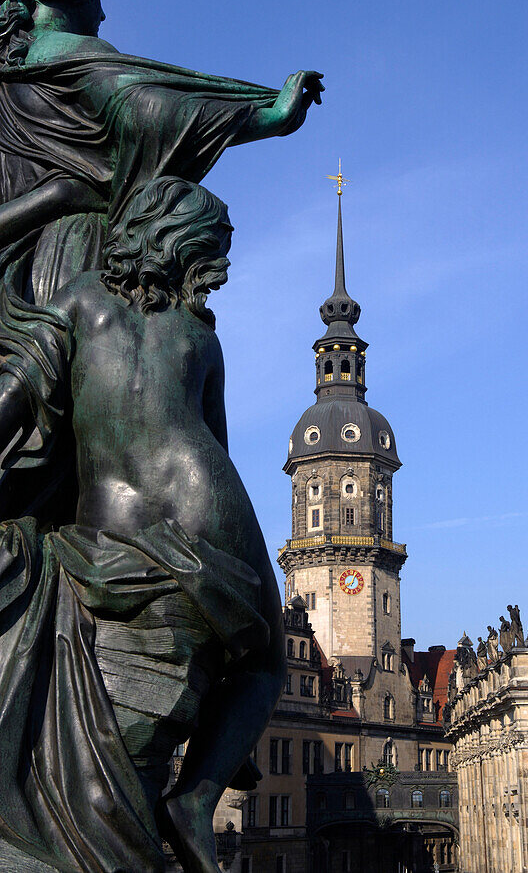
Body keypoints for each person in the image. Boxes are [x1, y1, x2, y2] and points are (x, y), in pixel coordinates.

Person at [0, 178, 285, 873]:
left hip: (107, 528)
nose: (216, 268)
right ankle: (196, 797)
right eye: (211, 251)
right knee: (267, 661)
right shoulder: (198, 336)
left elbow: (13, 398)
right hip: (208, 510)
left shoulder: (76, 301)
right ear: (181, 244)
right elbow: (213, 441)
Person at [0, 0, 323, 307]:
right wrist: (268, 118)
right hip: (69, 251)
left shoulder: (14, 65)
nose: (102, 14)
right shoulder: (69, 54)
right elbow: (153, 112)